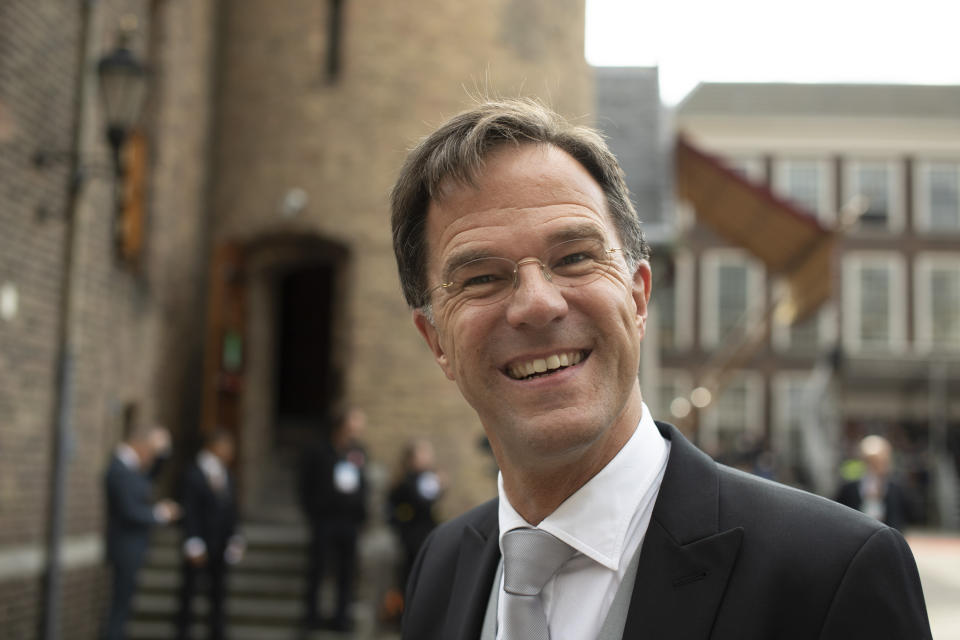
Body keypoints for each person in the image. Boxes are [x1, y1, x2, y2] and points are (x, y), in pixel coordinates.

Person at [389, 99, 931, 639]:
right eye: (480, 277)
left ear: (639, 297)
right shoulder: (441, 566)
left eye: (575, 257)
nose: (538, 304)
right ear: (436, 341)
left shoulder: (834, 573)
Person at [102, 421, 180, 640]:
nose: (151, 457)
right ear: (139, 445)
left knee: (124, 605)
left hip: (132, 547)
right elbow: (129, 510)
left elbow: (149, 477)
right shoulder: (118, 468)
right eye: (150, 451)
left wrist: (163, 451)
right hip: (124, 548)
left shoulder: (131, 468)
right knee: (118, 607)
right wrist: (160, 514)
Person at [298, 408, 369, 632]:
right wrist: (313, 512)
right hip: (325, 519)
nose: (356, 432)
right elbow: (305, 484)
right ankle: (311, 617)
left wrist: (360, 512)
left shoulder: (357, 452)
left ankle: (341, 618)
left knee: (346, 572)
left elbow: (363, 483)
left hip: (349, 520)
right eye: (353, 426)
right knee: (318, 569)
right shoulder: (319, 451)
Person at [175, 429, 244, 640]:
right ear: (213, 446)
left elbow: (231, 509)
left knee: (218, 594)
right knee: (189, 593)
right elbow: (190, 508)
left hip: (220, 543)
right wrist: (193, 541)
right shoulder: (193, 472)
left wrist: (235, 537)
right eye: (226, 445)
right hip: (200, 541)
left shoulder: (227, 474)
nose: (230, 451)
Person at [388, 439, 444, 600]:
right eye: (423, 453)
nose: (428, 457)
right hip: (411, 535)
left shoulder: (426, 477)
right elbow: (420, 501)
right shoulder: (407, 480)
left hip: (426, 531)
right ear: (412, 458)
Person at [836, 434, 916, 532]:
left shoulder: (897, 488)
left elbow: (910, 513)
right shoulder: (849, 488)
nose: (876, 466)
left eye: (880, 461)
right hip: (857, 536)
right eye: (871, 461)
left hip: (889, 537)